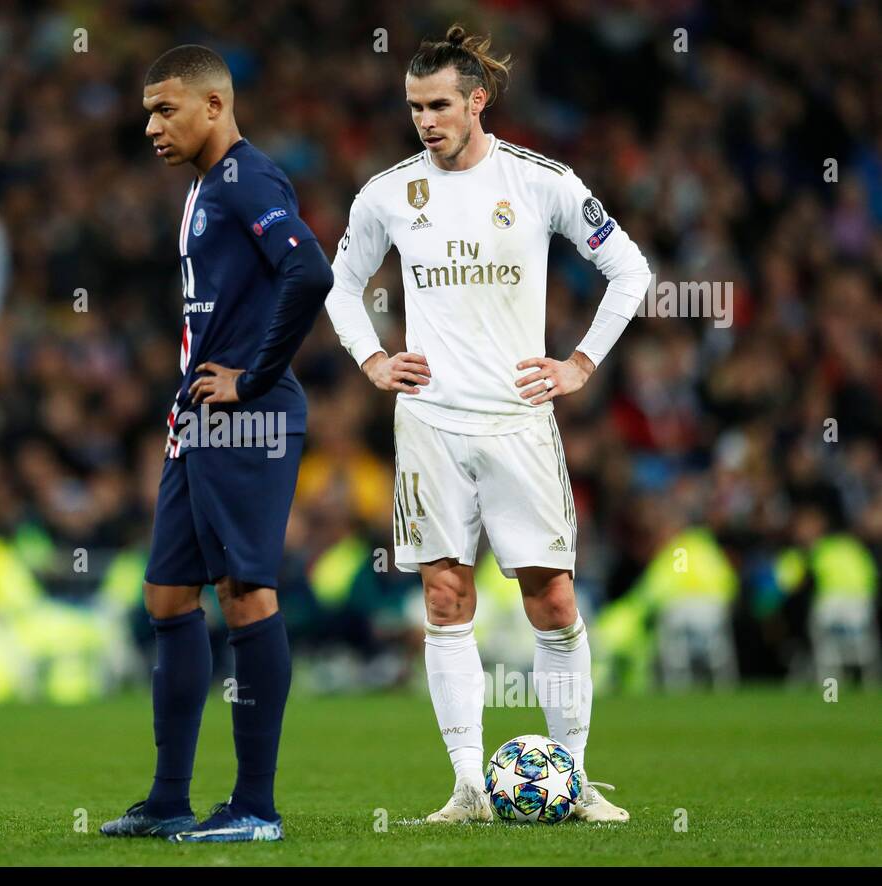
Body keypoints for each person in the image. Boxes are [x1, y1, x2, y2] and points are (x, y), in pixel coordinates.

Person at [325, 25, 652, 823]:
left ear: (477, 101)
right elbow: (339, 287)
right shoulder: (389, 193)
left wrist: (578, 364)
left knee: (551, 598)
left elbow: (630, 269)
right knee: (444, 597)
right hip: (430, 424)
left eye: (439, 104)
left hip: (517, 420)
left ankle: (572, 781)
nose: (426, 121)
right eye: (414, 107)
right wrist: (372, 358)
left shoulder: (541, 182)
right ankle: (468, 786)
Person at [100, 45, 334, 843]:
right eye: (146, 110)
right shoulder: (205, 187)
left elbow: (311, 273)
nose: (150, 124)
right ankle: (170, 800)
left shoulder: (247, 179)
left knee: (246, 595)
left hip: (246, 416)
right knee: (167, 596)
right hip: (197, 414)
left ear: (214, 105)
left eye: (165, 109)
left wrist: (252, 378)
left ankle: (257, 809)